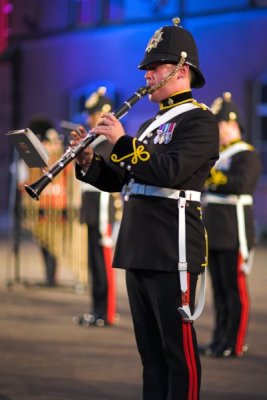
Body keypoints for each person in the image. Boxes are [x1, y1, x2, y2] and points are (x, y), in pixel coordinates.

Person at [70, 17, 219, 400]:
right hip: (139, 245)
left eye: (156, 67)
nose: (148, 75)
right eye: (148, 69)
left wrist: (122, 142)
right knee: (150, 357)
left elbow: (169, 171)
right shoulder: (154, 123)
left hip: (173, 249)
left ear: (181, 70)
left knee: (177, 354)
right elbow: (125, 179)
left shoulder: (200, 121)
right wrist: (89, 162)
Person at [199, 92, 262, 358]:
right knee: (219, 291)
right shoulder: (220, 155)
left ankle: (233, 342)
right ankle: (219, 338)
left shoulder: (246, 155)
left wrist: (215, 177)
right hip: (214, 232)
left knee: (234, 291)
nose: (217, 130)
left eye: (219, 124)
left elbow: (241, 184)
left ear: (232, 124)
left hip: (234, 233)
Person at [73, 87, 122, 327]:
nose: (89, 118)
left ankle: (108, 312)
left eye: (92, 114)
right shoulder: (94, 140)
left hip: (103, 205)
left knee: (103, 262)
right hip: (91, 205)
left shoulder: (109, 142)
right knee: (94, 262)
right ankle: (96, 309)